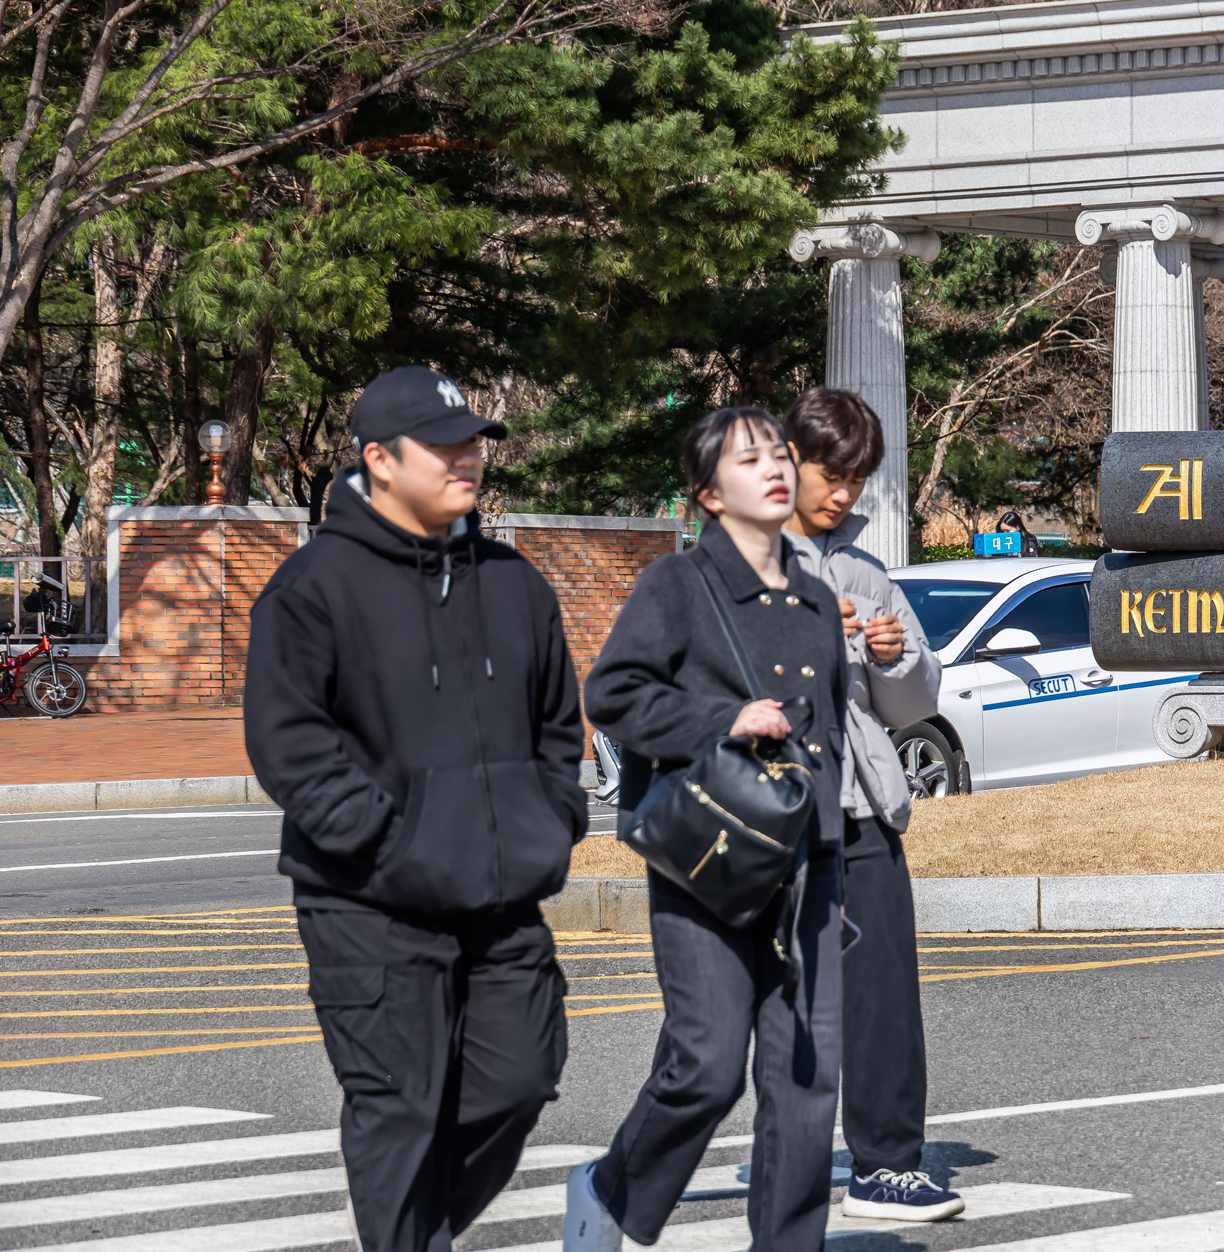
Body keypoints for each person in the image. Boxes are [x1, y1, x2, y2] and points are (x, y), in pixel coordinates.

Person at [244, 367, 586, 1252]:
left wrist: (549, 822)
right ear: (379, 461)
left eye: (473, 442)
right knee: (399, 1109)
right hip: (368, 904)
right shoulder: (313, 587)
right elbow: (290, 745)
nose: (468, 459)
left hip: (502, 898)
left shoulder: (515, 584)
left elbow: (557, 728)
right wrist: (388, 840)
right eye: (444, 446)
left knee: (520, 1080)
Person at [567, 406, 848, 1252]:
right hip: (708, 861)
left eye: (780, 455)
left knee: (807, 1078)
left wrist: (844, 851)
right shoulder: (677, 586)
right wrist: (723, 718)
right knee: (708, 1063)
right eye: (748, 459)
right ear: (707, 495)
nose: (775, 469)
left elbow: (828, 733)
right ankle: (611, 1187)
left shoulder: (817, 598)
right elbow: (612, 697)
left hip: (810, 862)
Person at [781, 388, 960, 1221]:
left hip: (859, 808)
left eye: (858, 477)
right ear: (787, 459)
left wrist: (891, 658)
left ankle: (886, 1163)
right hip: (770, 814)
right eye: (832, 472)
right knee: (746, 1009)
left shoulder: (867, 569)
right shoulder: (737, 558)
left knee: (885, 993)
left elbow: (912, 705)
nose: (844, 493)